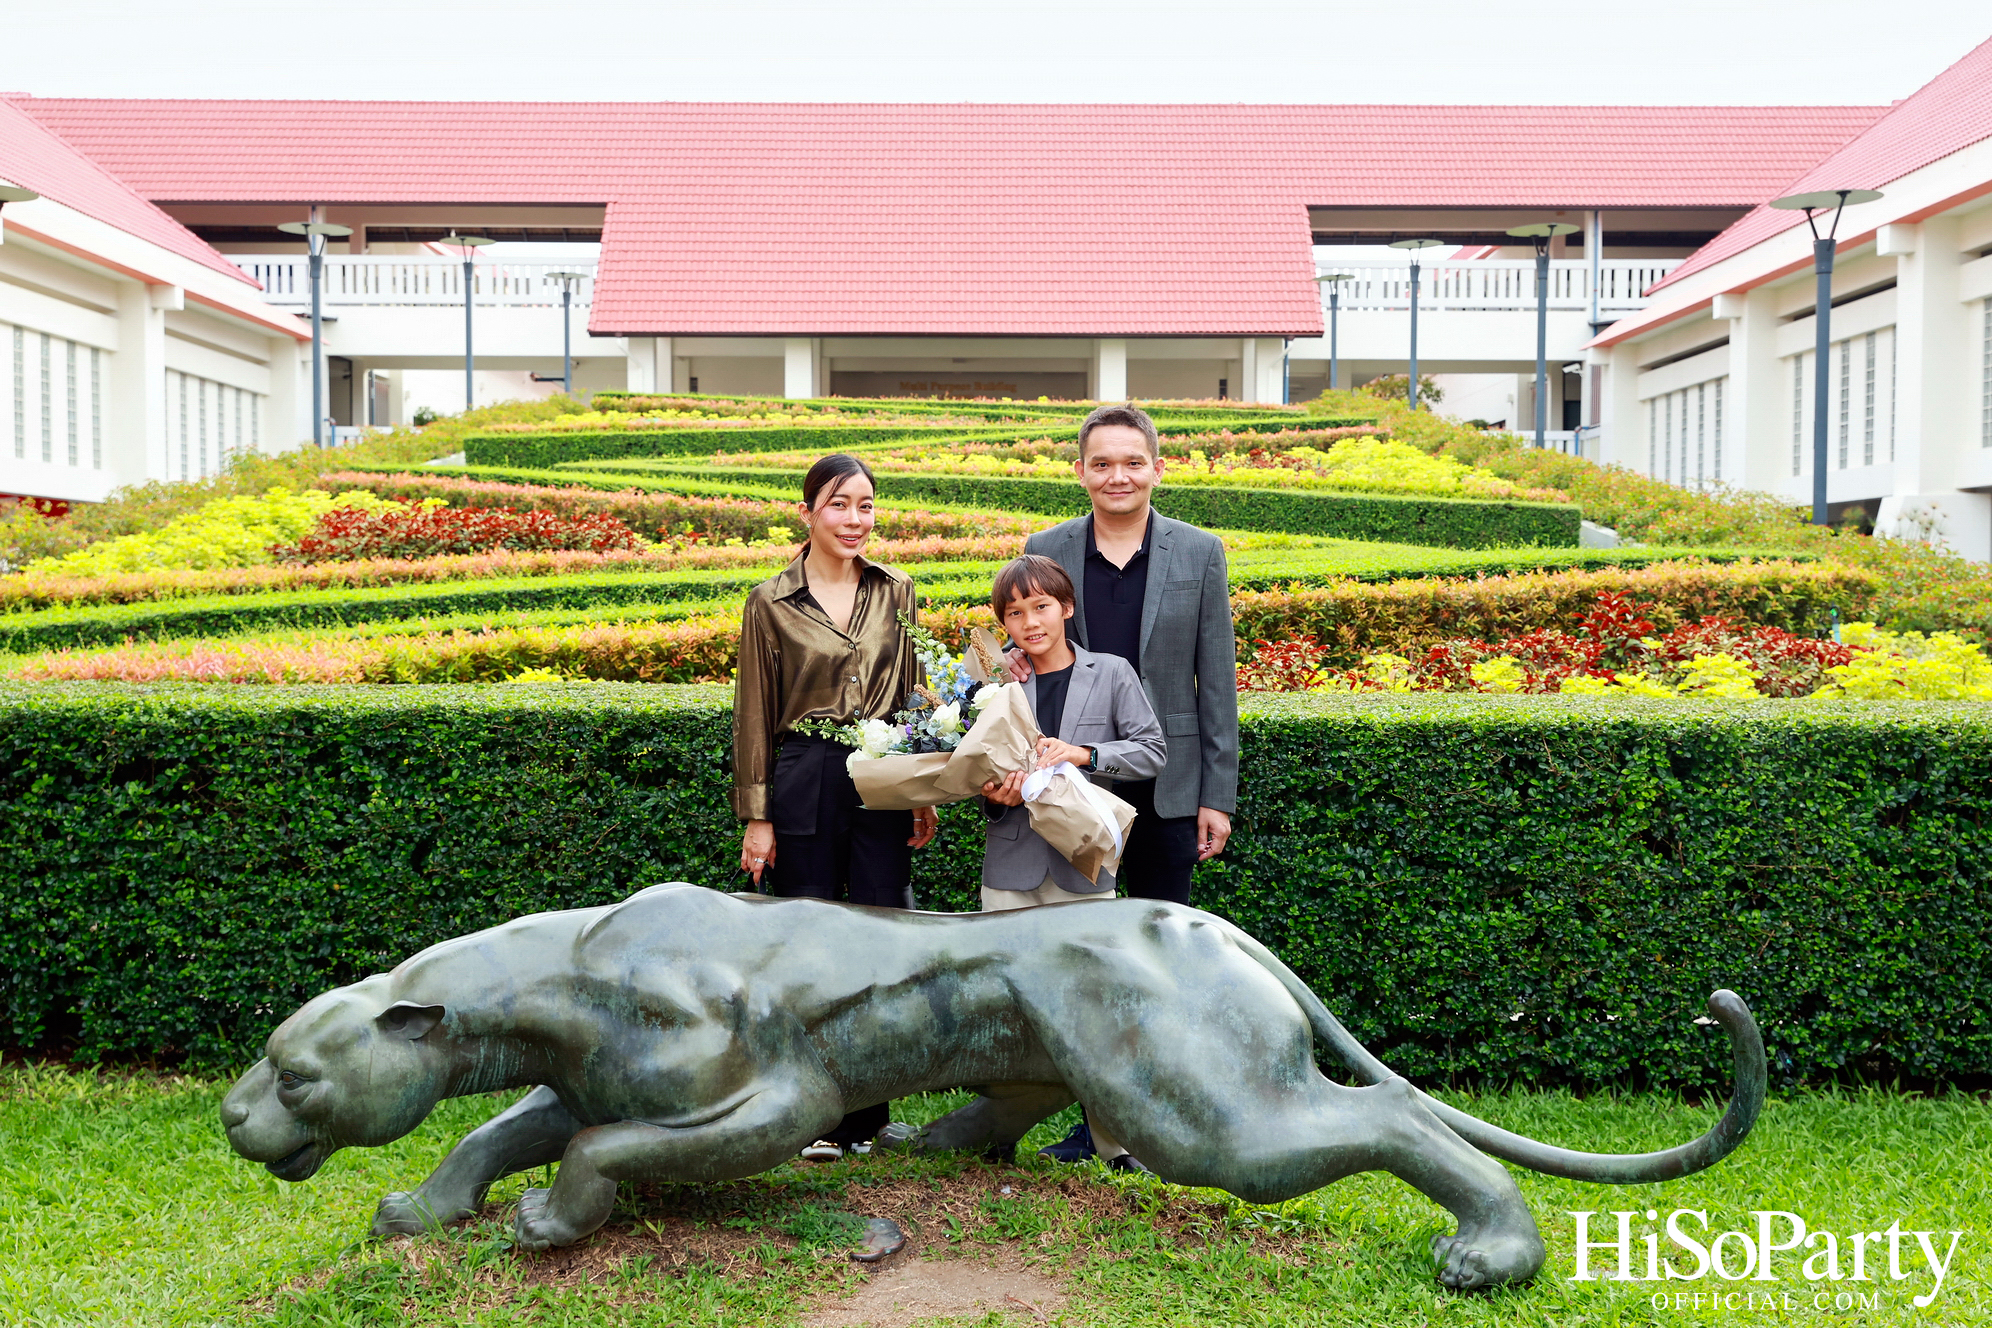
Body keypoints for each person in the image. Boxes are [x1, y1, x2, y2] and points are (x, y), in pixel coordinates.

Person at [1009, 402, 1240, 1164]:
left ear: (1157, 469)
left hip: (1167, 786)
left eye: (1132, 462)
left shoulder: (1199, 552)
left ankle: (1167, 1118)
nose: (1118, 476)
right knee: (1087, 959)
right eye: (1102, 463)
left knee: (1163, 955)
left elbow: (1217, 682)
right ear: (1080, 471)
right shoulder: (1047, 549)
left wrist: (1217, 794)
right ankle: (1097, 1124)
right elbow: (1027, 655)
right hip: (1073, 788)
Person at [733, 452, 939, 1160]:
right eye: (839, 505)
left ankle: (870, 1115)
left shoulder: (896, 589)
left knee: (883, 937)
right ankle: (807, 1111)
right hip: (805, 775)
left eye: (866, 505)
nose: (855, 520)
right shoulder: (770, 601)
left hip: (882, 772)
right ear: (808, 513)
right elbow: (754, 713)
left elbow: (915, 693)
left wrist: (923, 785)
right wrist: (758, 816)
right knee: (807, 941)